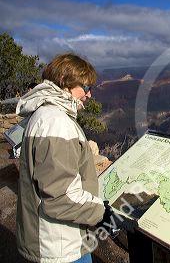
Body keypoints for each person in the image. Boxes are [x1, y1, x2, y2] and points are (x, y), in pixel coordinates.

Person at [15, 53, 136, 263]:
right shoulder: (56, 124)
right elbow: (60, 197)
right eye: (86, 88)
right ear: (65, 83)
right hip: (59, 247)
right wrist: (104, 214)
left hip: (50, 239)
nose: (89, 95)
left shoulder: (44, 115)